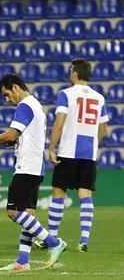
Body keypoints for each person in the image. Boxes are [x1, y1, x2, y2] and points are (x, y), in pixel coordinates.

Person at [0, 74, 67, 271]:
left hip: (26, 168)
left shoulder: (25, 105)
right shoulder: (37, 106)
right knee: (28, 214)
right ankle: (23, 261)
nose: (7, 100)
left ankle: (54, 242)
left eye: (7, 95)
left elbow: (12, 134)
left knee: (13, 212)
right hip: (36, 167)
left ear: (15, 87)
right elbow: (20, 138)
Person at [45, 59, 109, 253]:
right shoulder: (100, 98)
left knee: (58, 192)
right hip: (88, 154)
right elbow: (104, 129)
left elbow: (59, 122)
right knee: (86, 195)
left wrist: (51, 147)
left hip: (68, 151)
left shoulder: (65, 94)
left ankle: (53, 238)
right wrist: (93, 144)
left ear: (74, 73)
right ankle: (83, 240)